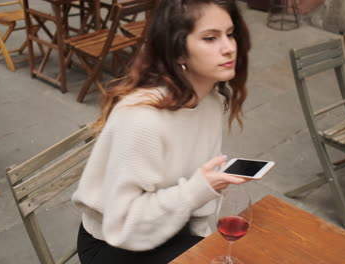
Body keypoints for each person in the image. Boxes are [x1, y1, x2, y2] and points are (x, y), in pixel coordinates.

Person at [72, 0, 251, 263]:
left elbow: (196, 207)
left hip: (174, 228)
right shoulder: (142, 120)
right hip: (114, 243)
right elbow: (123, 226)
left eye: (230, 33)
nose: (229, 48)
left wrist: (205, 244)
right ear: (178, 52)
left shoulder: (211, 103)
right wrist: (197, 190)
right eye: (211, 38)